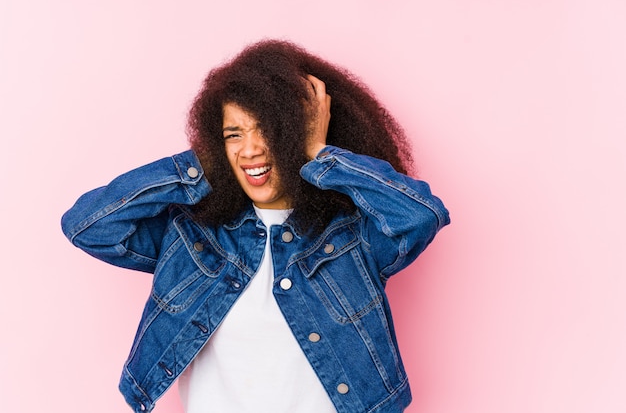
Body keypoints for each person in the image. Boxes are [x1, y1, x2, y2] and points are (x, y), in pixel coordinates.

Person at [61, 39, 450, 413]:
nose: (250, 149)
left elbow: (420, 216)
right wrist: (202, 166)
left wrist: (318, 154)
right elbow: (87, 225)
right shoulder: (190, 234)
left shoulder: (351, 235)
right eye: (234, 134)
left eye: (267, 129)